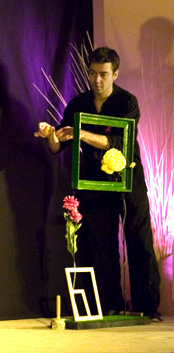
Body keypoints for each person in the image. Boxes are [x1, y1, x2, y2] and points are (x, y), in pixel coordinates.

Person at [34, 46, 161, 320]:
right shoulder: (78, 104)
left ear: (115, 74)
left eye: (103, 74)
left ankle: (146, 307)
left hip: (127, 178)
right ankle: (109, 304)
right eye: (92, 73)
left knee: (139, 241)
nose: (97, 80)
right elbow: (59, 146)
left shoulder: (127, 102)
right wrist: (50, 135)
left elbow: (118, 141)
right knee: (101, 245)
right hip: (93, 180)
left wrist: (81, 133)